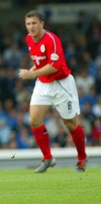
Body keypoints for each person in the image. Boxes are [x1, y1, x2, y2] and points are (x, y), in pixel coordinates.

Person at [18, 10, 87, 173]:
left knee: (71, 124)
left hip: (61, 84)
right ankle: (47, 158)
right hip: (43, 84)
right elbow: (40, 62)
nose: (31, 27)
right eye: (28, 24)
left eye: (34, 23)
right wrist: (32, 70)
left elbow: (54, 66)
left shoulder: (51, 40)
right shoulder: (29, 39)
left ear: (42, 24)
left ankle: (82, 158)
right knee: (34, 120)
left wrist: (31, 74)